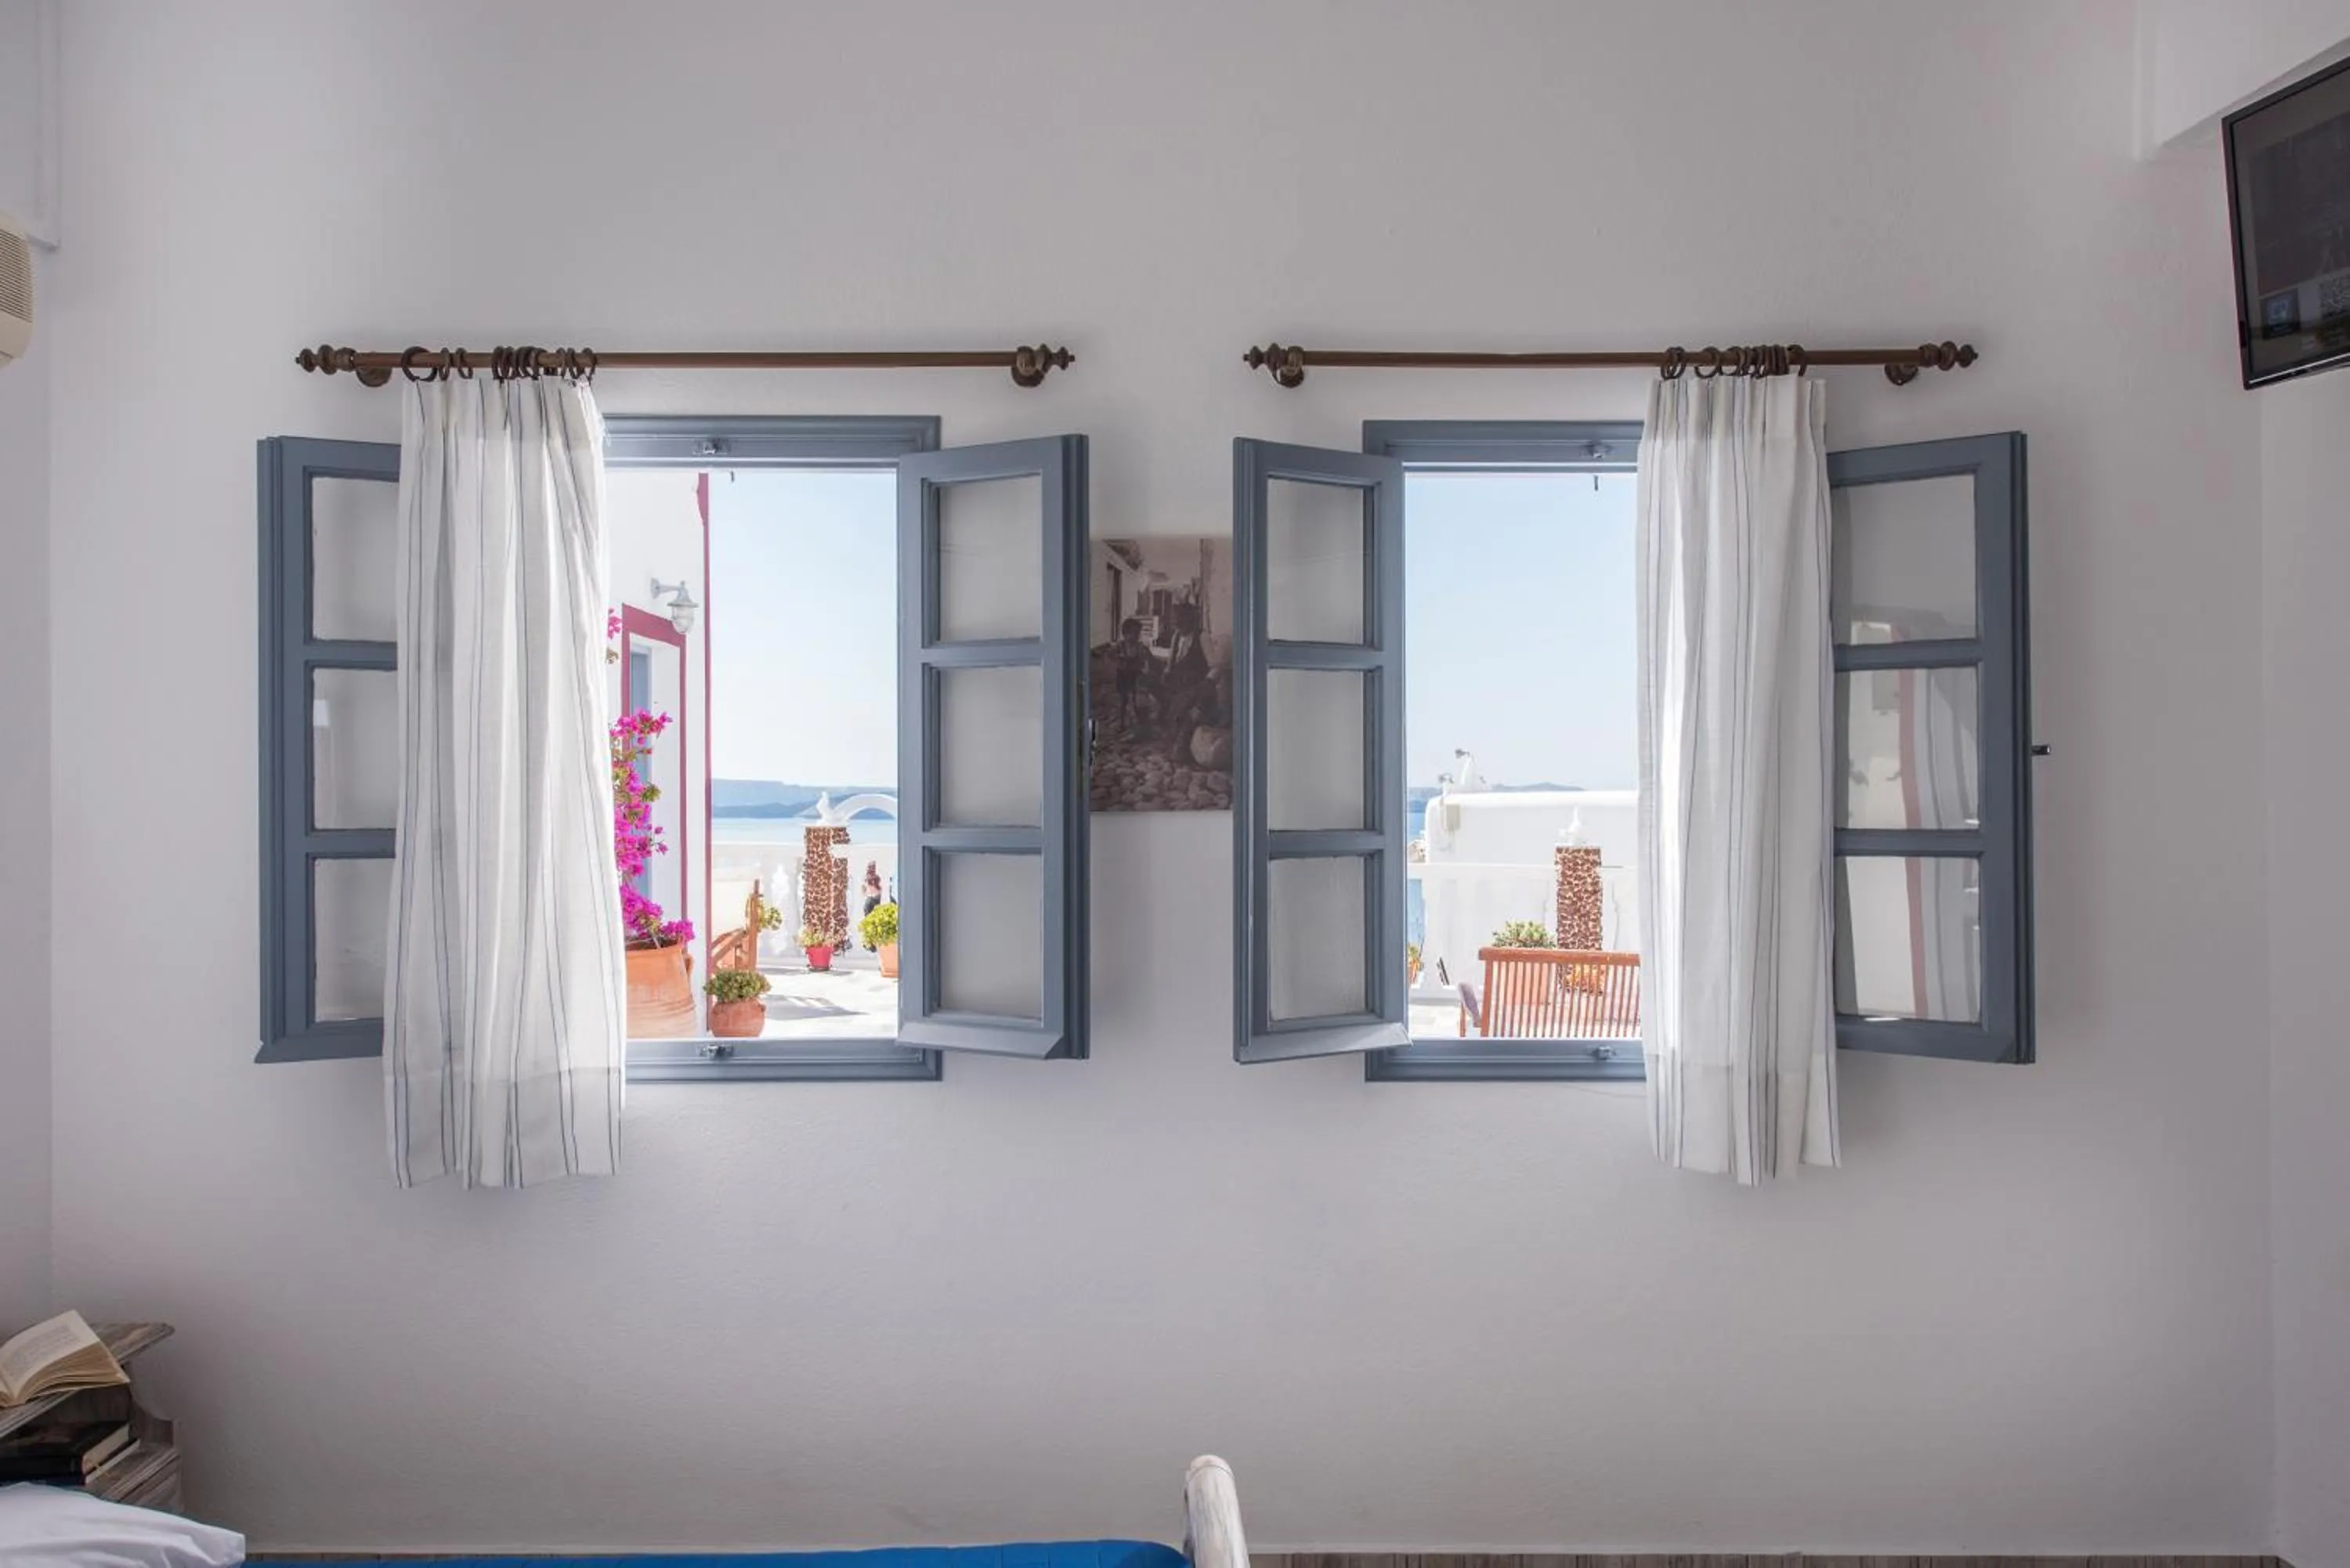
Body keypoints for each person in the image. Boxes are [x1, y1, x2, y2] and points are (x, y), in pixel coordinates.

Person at [1157, 602, 1217, 764]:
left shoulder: (1202, 637)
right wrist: (1166, 673)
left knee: (1188, 715)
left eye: (1180, 619)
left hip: (1197, 688)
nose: (1176, 623)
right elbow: (1171, 665)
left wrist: (1205, 686)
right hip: (1179, 688)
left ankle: (1182, 749)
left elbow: (1215, 668)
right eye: (1174, 620)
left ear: (1190, 619)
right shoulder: (1176, 636)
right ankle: (1172, 743)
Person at [1111, 616, 1152, 734]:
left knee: (1136, 699)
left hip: (1135, 676)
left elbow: (1146, 660)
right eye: (1132, 633)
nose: (1134, 636)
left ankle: (1138, 722)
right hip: (1123, 675)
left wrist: (1145, 666)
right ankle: (1122, 722)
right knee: (1122, 700)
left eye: (1137, 633)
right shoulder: (1120, 646)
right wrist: (1118, 660)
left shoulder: (1140, 647)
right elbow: (1110, 655)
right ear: (1125, 634)